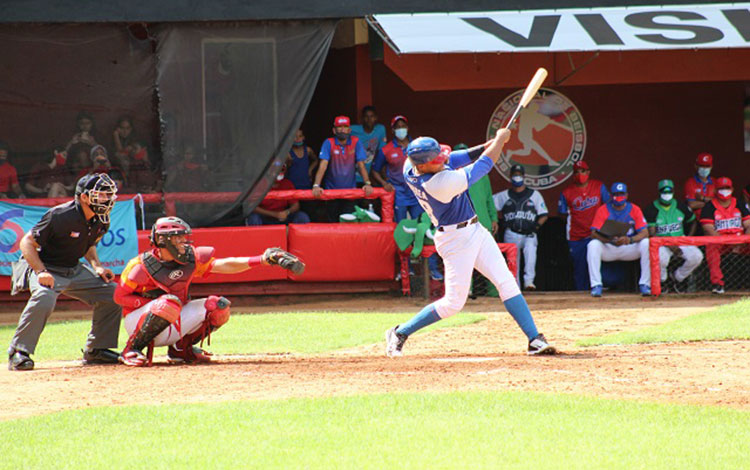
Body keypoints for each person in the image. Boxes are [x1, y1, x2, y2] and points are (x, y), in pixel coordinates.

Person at [384, 130, 555, 357]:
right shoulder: (439, 184)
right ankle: (400, 332)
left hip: (475, 230)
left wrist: (488, 143)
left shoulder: (411, 163)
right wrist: (499, 145)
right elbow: (483, 166)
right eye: (435, 160)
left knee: (506, 282)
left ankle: (534, 339)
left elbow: (454, 157)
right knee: (453, 304)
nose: (442, 160)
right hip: (455, 240)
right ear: (423, 167)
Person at [115, 217, 305, 366]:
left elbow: (224, 265)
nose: (183, 241)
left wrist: (262, 259)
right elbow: (119, 297)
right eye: (178, 237)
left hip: (172, 313)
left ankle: (182, 349)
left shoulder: (190, 258)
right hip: (139, 322)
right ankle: (132, 348)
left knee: (218, 307)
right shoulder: (140, 266)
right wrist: (151, 304)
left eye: (183, 237)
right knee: (169, 303)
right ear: (163, 240)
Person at [7, 173, 122, 371]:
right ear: (84, 197)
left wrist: (97, 266)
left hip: (72, 268)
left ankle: (96, 350)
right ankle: (18, 351)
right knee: (44, 296)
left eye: (108, 195)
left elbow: (88, 246)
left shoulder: (101, 219)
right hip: (43, 265)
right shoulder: (60, 215)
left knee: (113, 294)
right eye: (101, 195)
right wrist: (41, 271)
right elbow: (26, 242)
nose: (106, 199)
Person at [371, 115, 442, 281]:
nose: (400, 128)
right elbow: (375, 170)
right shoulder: (386, 149)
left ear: (408, 128)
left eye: (403, 125)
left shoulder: (417, 146)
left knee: (425, 227)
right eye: (397, 126)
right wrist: (384, 183)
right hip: (399, 195)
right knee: (402, 230)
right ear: (393, 130)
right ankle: (405, 269)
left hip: (417, 193)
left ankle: (432, 269)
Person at [587, 182, 651, 297]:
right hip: (609, 246)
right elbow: (593, 233)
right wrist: (608, 240)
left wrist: (630, 240)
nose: (619, 196)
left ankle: (645, 284)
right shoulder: (603, 209)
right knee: (593, 245)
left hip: (628, 247)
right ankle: (596, 285)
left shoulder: (634, 209)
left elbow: (645, 233)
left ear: (626, 195)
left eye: (621, 194)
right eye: (616, 194)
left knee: (646, 243)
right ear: (611, 196)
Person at [493, 164, 548, 290]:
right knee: (513, 261)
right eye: (515, 175)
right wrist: (494, 220)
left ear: (524, 176)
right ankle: (515, 287)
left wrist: (535, 227)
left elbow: (544, 214)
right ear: (510, 177)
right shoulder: (503, 195)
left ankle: (529, 282)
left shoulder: (534, 195)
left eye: (519, 175)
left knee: (530, 255)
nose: (517, 177)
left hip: (529, 233)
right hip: (511, 232)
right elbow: (490, 206)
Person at [643, 179, 703, 293]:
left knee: (697, 256)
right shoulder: (651, 209)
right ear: (659, 192)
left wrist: (688, 238)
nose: (666, 194)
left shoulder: (680, 205)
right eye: (664, 191)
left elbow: (693, 221)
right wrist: (669, 245)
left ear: (673, 191)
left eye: (669, 191)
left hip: (680, 239)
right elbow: (652, 233)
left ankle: (676, 278)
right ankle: (663, 281)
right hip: (661, 242)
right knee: (661, 259)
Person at [558, 160, 609, 290]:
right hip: (577, 236)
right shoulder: (567, 192)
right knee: (580, 268)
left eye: (583, 171)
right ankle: (581, 295)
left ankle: (598, 289)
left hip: (597, 234)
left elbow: (608, 207)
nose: (580, 174)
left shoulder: (598, 186)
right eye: (577, 172)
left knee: (599, 265)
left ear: (588, 172)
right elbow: (562, 213)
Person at [312, 116, 373, 222]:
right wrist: (316, 185)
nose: (342, 129)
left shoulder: (355, 142)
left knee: (348, 224)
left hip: (350, 192)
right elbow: (323, 165)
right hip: (331, 192)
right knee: (333, 223)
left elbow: (361, 165)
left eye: (345, 126)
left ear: (349, 130)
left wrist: (367, 183)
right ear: (334, 130)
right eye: (339, 127)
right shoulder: (329, 143)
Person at [699, 177, 750, 294]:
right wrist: (725, 242)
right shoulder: (709, 206)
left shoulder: (739, 204)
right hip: (720, 242)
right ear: (716, 190)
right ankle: (717, 284)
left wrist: (743, 241)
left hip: (740, 241)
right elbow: (708, 228)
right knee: (711, 247)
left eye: (727, 188)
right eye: (721, 188)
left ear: (732, 189)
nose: (725, 191)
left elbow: (748, 225)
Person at [246, 165, 310, 225]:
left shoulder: (287, 183)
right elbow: (252, 207)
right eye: (275, 169)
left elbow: (296, 205)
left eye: (282, 170)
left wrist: (286, 212)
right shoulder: (260, 184)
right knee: (253, 218)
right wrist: (274, 214)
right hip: (265, 217)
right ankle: (257, 236)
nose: (278, 172)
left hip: (283, 217)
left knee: (302, 216)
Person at [350, 105, 387, 186]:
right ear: (362, 119)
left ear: (376, 118)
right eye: (366, 117)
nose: (369, 120)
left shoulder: (380, 130)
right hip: (351, 176)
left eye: (371, 116)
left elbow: (382, 152)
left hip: (368, 176)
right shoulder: (353, 130)